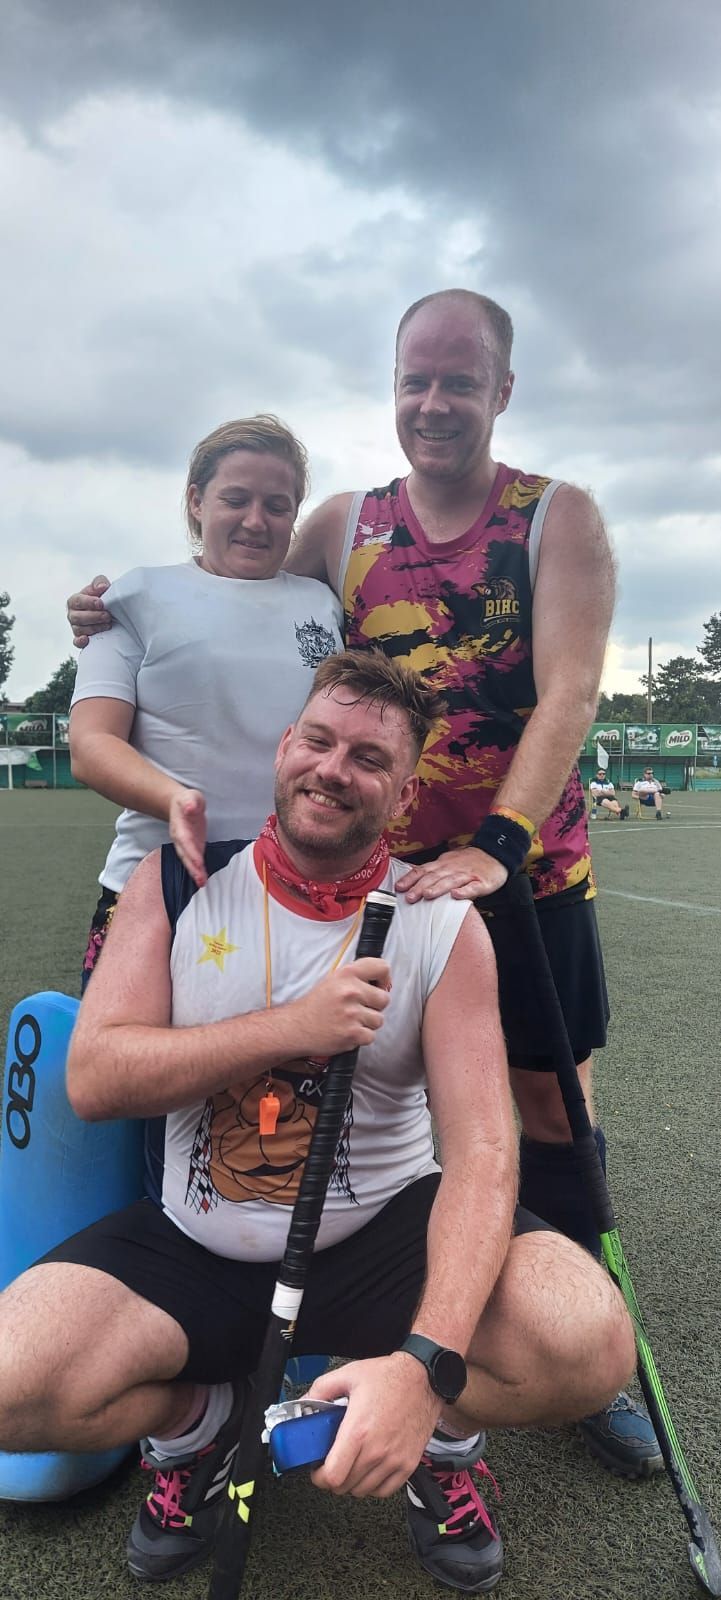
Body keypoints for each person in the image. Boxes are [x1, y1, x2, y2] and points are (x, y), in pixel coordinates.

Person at [66, 290, 660, 1477]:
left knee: (545, 1113)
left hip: (517, 865)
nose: (434, 403)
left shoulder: (557, 517)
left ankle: (567, 1346)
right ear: (393, 389)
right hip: (360, 869)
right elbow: (236, 593)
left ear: (501, 389)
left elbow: (571, 697)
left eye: (460, 380)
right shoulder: (345, 522)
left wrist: (496, 839)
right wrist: (115, 605)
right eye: (414, 381)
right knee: (325, 1088)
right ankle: (242, 1329)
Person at [0, 652, 635, 1595]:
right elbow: (95, 1076)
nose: (335, 769)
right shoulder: (177, 883)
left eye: (370, 759)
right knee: (12, 1385)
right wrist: (292, 1029)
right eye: (320, 741)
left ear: (404, 787)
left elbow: (484, 1152)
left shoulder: (440, 923)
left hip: (383, 1238)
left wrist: (425, 1368)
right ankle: (199, 1427)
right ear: (285, 746)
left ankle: (438, 1440)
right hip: (195, 1247)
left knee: (585, 1342)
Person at [68, 415, 343, 988]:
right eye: (235, 499)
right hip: (157, 884)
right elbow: (91, 745)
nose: (255, 521)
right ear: (196, 501)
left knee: (270, 1077)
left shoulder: (323, 605)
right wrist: (175, 802)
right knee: (129, 1072)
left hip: (291, 891)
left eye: (277, 505)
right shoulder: (135, 597)